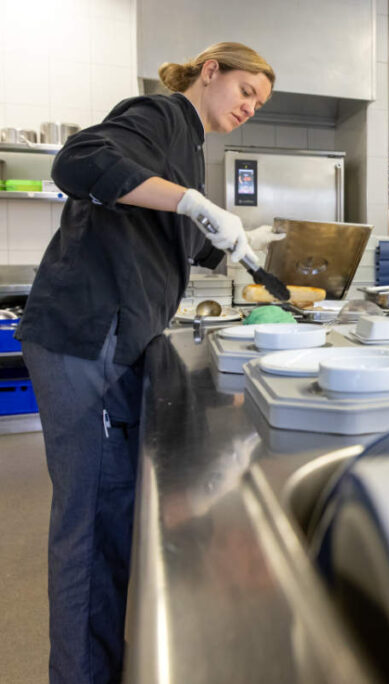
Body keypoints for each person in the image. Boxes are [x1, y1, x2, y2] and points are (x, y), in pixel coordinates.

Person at [16, 42, 278, 683]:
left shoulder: (189, 145)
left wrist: (236, 240)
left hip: (110, 339)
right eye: (246, 91)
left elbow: (167, 232)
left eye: (259, 104)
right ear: (211, 71)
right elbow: (78, 162)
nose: (250, 107)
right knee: (91, 524)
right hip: (87, 337)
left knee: (113, 513)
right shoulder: (162, 114)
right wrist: (194, 203)